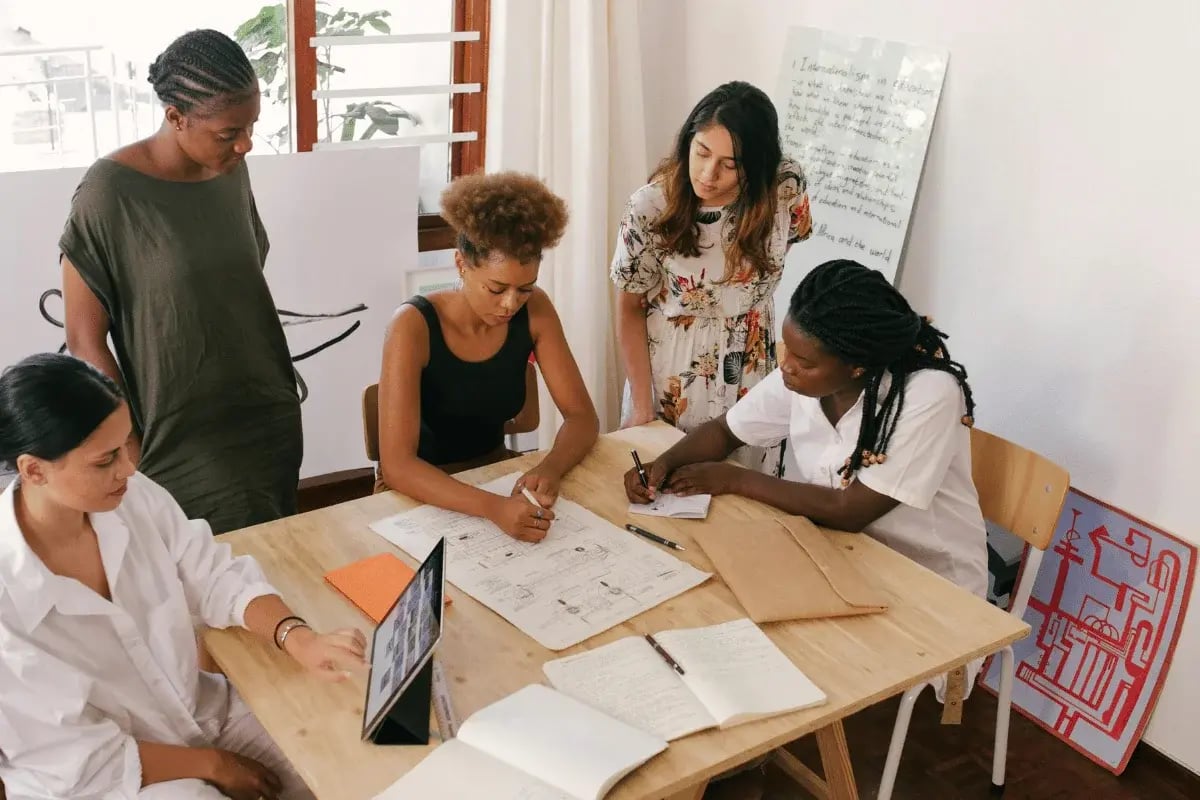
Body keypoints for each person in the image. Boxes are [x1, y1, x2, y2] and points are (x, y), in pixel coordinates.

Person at [0, 353, 368, 799]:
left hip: (201, 713)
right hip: (101, 780)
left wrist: (296, 636)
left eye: (127, 444)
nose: (129, 469)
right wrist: (214, 765)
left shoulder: (129, 498)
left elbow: (212, 573)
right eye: (106, 460)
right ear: (33, 469)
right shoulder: (9, 598)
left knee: (345, 758)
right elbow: (75, 756)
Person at [625, 259, 988, 598]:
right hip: (838, 556)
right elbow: (725, 432)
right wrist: (663, 465)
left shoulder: (927, 393)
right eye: (789, 353)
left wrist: (733, 479)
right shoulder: (804, 379)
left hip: (931, 586)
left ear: (856, 366)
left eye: (803, 362)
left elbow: (850, 510)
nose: (786, 367)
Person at [59, 29, 301, 534]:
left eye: (251, 125)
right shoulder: (108, 193)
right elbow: (84, 339)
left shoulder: (230, 168)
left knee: (275, 561)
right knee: (201, 580)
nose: (245, 143)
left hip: (266, 413)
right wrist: (126, 445)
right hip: (180, 434)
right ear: (175, 117)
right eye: (228, 132)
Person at [377, 172, 599, 543]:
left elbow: (582, 417)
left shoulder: (536, 310)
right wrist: (493, 508)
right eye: (496, 289)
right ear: (462, 264)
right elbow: (398, 466)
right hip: (417, 492)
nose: (510, 304)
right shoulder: (412, 325)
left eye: (524, 289)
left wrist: (551, 468)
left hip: (492, 475)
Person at [611, 81, 813, 473]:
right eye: (701, 152)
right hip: (675, 373)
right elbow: (628, 307)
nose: (707, 173)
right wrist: (641, 405)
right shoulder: (650, 207)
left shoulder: (784, 187)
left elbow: (788, 241)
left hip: (753, 368)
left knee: (748, 496)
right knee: (666, 490)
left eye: (730, 163)